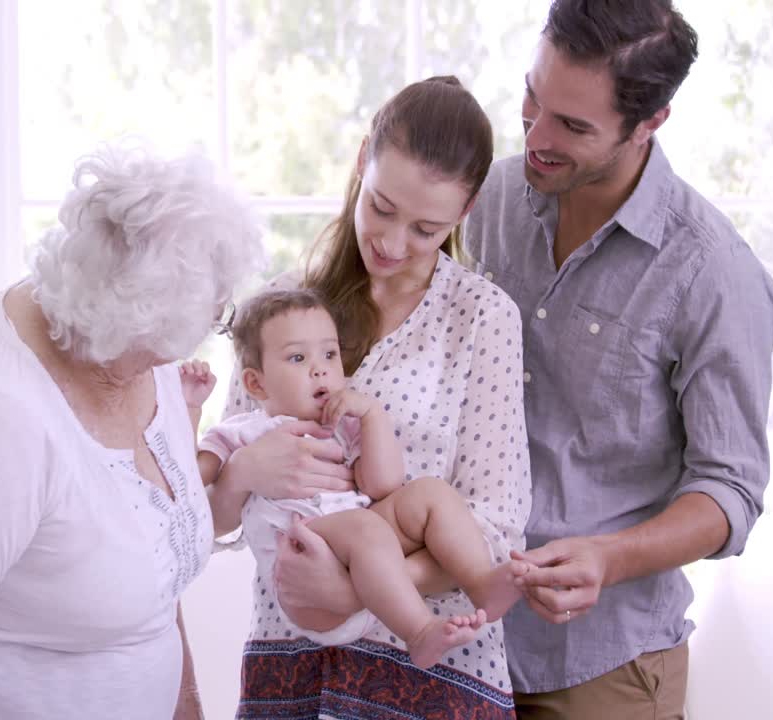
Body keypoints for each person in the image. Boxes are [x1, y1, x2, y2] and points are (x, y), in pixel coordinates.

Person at [0, 145, 265, 720]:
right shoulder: (0, 419)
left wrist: (185, 699)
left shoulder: (139, 346)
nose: (196, 343)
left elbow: (155, 556)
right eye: (197, 326)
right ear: (128, 321)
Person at [461, 1, 773, 718]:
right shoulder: (489, 201)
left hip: (600, 665)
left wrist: (609, 559)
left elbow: (730, 490)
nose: (535, 137)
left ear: (649, 124)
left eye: (572, 126)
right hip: (457, 639)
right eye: (532, 99)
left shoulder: (712, 273)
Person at [208, 75, 531, 719]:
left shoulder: (481, 317)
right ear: (362, 162)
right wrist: (244, 470)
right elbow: (216, 515)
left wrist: (356, 585)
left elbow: (496, 524)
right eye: (380, 206)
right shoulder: (279, 308)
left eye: (425, 228)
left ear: (463, 215)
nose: (391, 242)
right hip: (292, 655)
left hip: (441, 674)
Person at [183, 288, 525, 668]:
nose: (320, 368)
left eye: (329, 354)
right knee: (365, 527)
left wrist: (373, 417)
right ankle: (420, 631)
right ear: (256, 384)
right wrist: (191, 410)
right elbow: (189, 484)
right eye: (298, 358)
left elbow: (383, 487)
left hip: (363, 563)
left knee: (430, 493)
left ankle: (480, 582)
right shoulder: (243, 432)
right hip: (306, 585)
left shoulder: (343, 425)